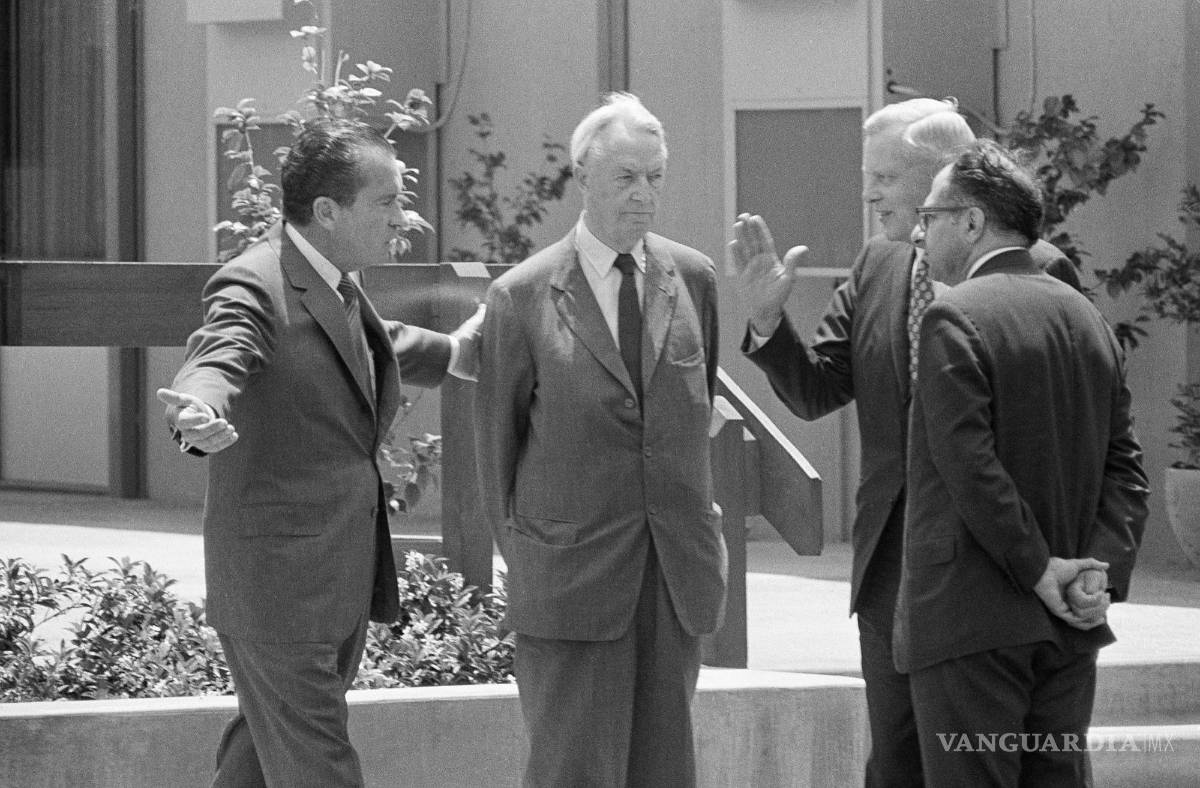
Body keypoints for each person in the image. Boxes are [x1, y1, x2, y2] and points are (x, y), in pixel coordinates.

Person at [729, 97, 1083, 787]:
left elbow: (1068, 425)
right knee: (896, 758)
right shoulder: (879, 265)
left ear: (944, 178)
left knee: (1003, 761)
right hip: (895, 566)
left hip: (997, 566)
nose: (868, 194)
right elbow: (817, 391)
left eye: (885, 177)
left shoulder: (1040, 270)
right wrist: (770, 323)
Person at [156, 118, 483, 787]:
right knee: (320, 770)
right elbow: (220, 353)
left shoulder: (333, 281)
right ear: (328, 211)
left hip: (330, 583)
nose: (404, 216)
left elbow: (365, 340)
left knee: (260, 760)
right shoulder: (252, 281)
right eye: (387, 201)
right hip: (280, 595)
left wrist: (456, 352)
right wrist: (198, 408)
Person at [473, 92, 726, 788]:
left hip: (673, 575)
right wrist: (531, 567)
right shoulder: (521, 297)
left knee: (665, 771)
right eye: (625, 177)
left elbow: (694, 410)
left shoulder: (694, 278)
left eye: (655, 177)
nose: (644, 194)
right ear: (583, 176)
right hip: (571, 583)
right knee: (573, 771)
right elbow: (496, 460)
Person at [895, 139, 1148, 786]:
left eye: (930, 218)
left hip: (971, 627)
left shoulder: (953, 315)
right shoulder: (1089, 319)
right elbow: (1127, 470)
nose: (921, 236)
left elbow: (970, 466)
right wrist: (1096, 572)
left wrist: (1039, 570)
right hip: (1070, 626)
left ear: (972, 221)